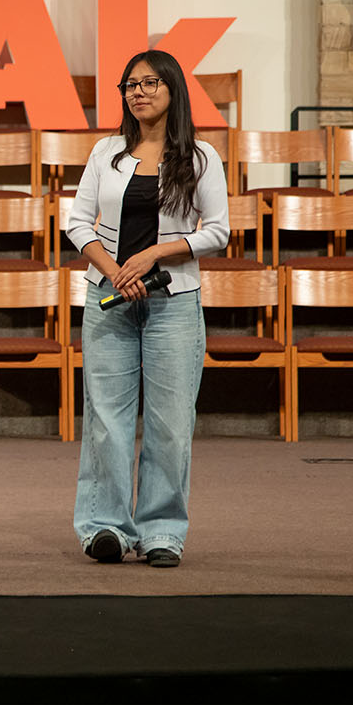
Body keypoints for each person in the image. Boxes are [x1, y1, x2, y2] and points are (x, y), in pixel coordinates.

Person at [63, 49, 228, 568]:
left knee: (170, 423)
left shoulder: (201, 157)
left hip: (172, 302)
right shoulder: (105, 152)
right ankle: (105, 527)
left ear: (173, 89)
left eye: (150, 83)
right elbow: (76, 223)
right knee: (106, 419)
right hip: (108, 297)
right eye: (130, 85)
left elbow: (217, 232)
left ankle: (162, 532)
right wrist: (115, 270)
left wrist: (155, 254)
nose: (138, 92)